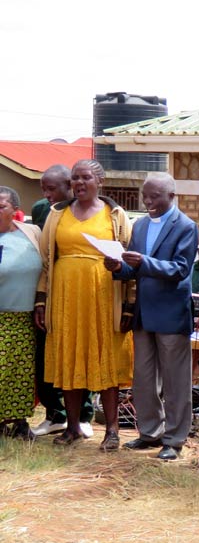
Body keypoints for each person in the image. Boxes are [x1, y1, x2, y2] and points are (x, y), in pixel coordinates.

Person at [35, 159, 135, 450]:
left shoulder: (115, 215)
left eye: (86, 178)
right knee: (70, 357)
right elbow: (46, 262)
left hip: (104, 295)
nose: (80, 183)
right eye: (76, 178)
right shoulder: (56, 214)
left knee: (106, 358)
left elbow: (129, 258)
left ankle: (113, 430)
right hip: (65, 296)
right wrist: (41, 300)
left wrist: (129, 303)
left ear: (99, 182)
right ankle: (73, 426)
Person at [106, 175, 198, 461]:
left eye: (155, 196)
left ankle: (174, 439)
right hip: (144, 313)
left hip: (171, 313)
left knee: (175, 381)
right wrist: (117, 267)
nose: (148, 202)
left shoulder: (186, 226)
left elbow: (180, 270)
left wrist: (144, 262)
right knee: (143, 379)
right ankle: (149, 432)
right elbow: (133, 270)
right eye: (145, 195)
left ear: (171, 194)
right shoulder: (141, 225)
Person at [30, 164, 89, 437]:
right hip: (50, 289)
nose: (46, 194)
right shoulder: (43, 209)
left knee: (80, 352)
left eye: (51, 188)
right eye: (43, 188)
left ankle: (84, 414)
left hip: (80, 291)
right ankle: (55, 414)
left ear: (69, 184)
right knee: (46, 355)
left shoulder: (87, 209)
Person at [0, 187, 43, 439]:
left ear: (15, 211)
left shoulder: (32, 233)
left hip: (24, 315)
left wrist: (40, 302)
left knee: (21, 370)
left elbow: (45, 269)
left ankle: (18, 421)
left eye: (1, 206)